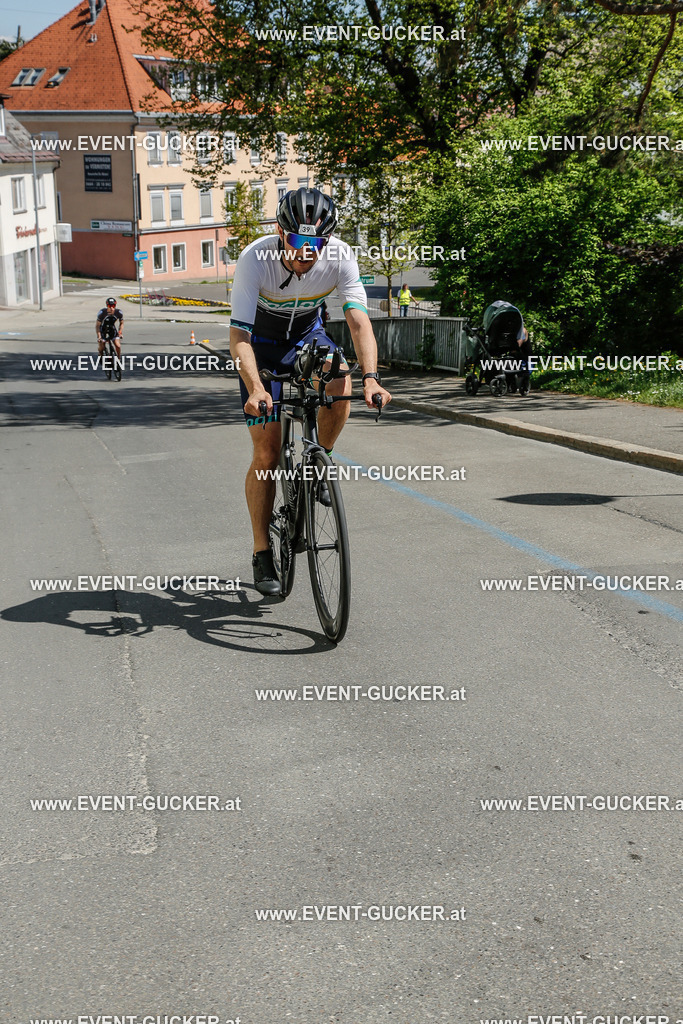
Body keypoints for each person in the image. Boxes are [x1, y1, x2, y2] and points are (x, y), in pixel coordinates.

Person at [229, 186, 392, 595]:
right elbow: (239, 337)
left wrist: (371, 376)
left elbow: (358, 322)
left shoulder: (339, 255)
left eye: (316, 243)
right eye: (298, 241)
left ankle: (323, 457)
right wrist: (254, 388)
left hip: (306, 338)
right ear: (280, 234)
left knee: (340, 377)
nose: (307, 251)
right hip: (259, 348)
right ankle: (262, 550)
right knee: (267, 452)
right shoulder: (255, 259)